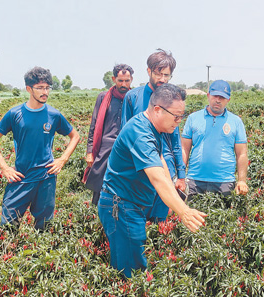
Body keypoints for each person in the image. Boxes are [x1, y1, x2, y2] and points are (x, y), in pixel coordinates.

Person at [98, 84, 207, 278]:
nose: (178, 121)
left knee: (133, 265)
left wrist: (176, 196)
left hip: (131, 205)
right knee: (131, 272)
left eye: (181, 116)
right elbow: (157, 177)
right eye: (176, 116)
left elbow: (162, 163)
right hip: (121, 206)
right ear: (157, 109)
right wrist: (184, 212)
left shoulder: (153, 128)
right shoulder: (140, 132)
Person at [0, 67, 80, 230]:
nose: (45, 92)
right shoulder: (14, 114)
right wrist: (5, 168)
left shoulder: (54, 115)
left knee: (44, 226)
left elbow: (75, 136)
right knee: (7, 226)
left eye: (48, 87)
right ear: (29, 89)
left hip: (46, 178)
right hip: (21, 176)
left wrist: (62, 159)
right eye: (40, 88)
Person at [121, 49, 186, 221]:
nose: (162, 80)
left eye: (167, 75)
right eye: (159, 74)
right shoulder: (133, 97)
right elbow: (124, 134)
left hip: (167, 167)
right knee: (139, 217)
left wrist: (181, 174)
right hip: (141, 166)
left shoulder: (173, 98)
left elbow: (175, 140)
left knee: (161, 220)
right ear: (149, 71)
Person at [181, 80, 249, 198]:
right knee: (190, 213)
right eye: (215, 96)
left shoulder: (236, 121)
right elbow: (184, 149)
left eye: (222, 97)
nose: (218, 100)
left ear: (228, 99)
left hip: (225, 182)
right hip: (194, 181)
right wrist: (181, 177)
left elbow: (242, 153)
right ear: (208, 96)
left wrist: (241, 180)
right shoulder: (193, 118)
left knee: (223, 214)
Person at [83, 64, 134, 205]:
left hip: (126, 148)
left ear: (131, 80)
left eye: (127, 81)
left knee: (123, 185)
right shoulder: (104, 97)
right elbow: (94, 125)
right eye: (120, 80)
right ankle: (95, 214)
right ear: (114, 79)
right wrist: (89, 151)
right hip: (105, 147)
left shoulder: (133, 97)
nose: (124, 84)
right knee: (99, 184)